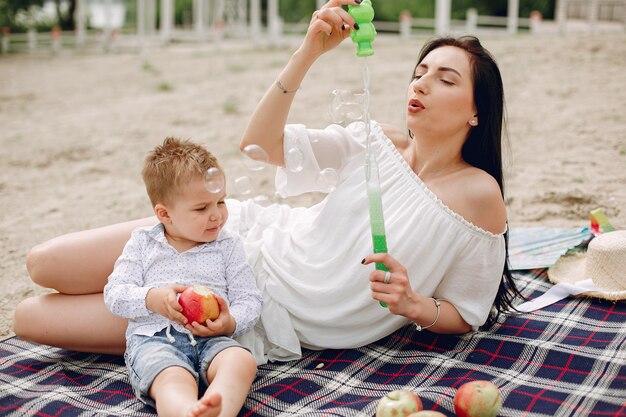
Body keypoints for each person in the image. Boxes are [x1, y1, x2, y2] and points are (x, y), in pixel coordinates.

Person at [14, 0, 520, 367]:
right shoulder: (373, 139)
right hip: (244, 238)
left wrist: (411, 304)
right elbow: (258, 144)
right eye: (420, 71)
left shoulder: (477, 194)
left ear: (477, 111)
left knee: (29, 319)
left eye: (446, 79)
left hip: (260, 307)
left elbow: (467, 311)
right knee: (44, 263)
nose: (421, 83)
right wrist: (308, 52)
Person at [103, 137, 262, 417]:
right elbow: (114, 294)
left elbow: (249, 298)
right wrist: (151, 299)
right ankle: (186, 411)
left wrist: (229, 322)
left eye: (221, 202)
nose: (216, 215)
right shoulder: (143, 243)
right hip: (155, 339)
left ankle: (217, 409)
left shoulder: (227, 245)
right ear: (165, 214)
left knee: (240, 361)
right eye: (202, 209)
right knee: (171, 378)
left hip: (213, 339)